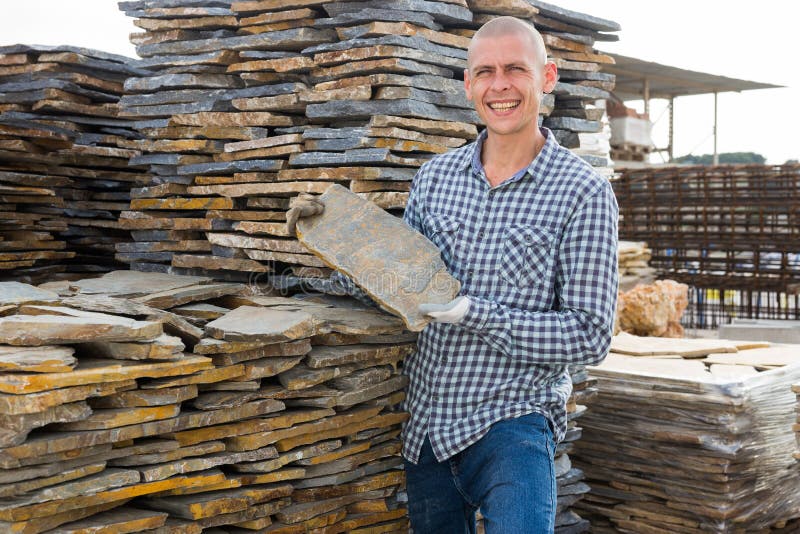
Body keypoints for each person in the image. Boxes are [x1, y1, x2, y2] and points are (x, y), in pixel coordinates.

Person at [287, 16, 618, 533]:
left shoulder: (584, 192)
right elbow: (394, 284)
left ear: (547, 77)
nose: (499, 85)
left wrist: (472, 312)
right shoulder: (435, 178)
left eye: (515, 69)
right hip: (428, 428)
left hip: (514, 424)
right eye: (484, 71)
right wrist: (327, 238)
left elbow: (590, 335)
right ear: (468, 85)